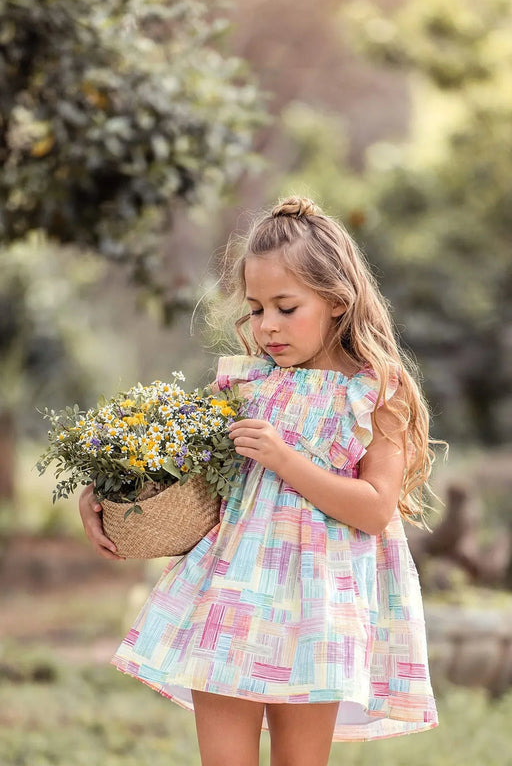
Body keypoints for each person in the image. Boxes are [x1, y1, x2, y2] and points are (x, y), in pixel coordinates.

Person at [79, 195, 445, 766]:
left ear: (335, 301)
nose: (267, 325)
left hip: (316, 610)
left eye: (286, 306)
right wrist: (104, 496)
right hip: (228, 600)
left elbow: (376, 509)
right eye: (255, 309)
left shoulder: (374, 391)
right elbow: (178, 479)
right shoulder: (244, 386)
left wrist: (285, 459)